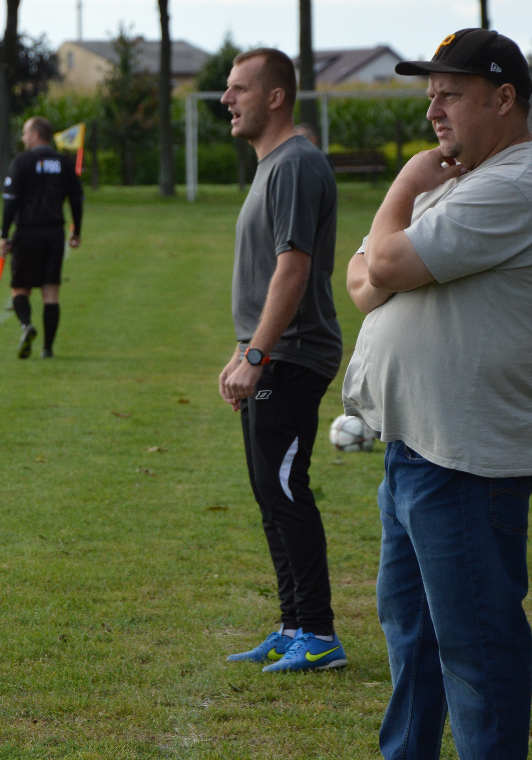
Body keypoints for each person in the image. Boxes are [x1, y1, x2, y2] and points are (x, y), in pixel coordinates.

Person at [342, 29, 532, 760]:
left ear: (504, 98)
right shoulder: (472, 178)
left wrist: (408, 185)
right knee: (413, 646)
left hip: (468, 466)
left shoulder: (513, 184)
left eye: (449, 95)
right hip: (418, 450)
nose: (433, 113)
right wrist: (390, 252)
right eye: (430, 96)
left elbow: (378, 259)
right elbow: (361, 288)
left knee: (477, 657)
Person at [218, 48, 346, 673]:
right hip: (271, 355)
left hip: (293, 357)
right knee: (270, 490)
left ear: (275, 97)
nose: (225, 99)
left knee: (286, 487)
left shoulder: (294, 164)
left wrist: (259, 353)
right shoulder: (274, 165)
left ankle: (319, 634)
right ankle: (293, 625)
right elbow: (272, 271)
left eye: (238, 88)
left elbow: (293, 269)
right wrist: (244, 350)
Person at [0, 117, 84, 359]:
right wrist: (76, 232)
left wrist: (4, 235)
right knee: (51, 292)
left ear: (36, 135)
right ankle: (47, 349)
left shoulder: (22, 162)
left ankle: (27, 326)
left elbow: (10, 202)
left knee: (20, 289)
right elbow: (77, 200)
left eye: (26, 133)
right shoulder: (65, 163)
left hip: (27, 233)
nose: (23, 138)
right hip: (54, 234)